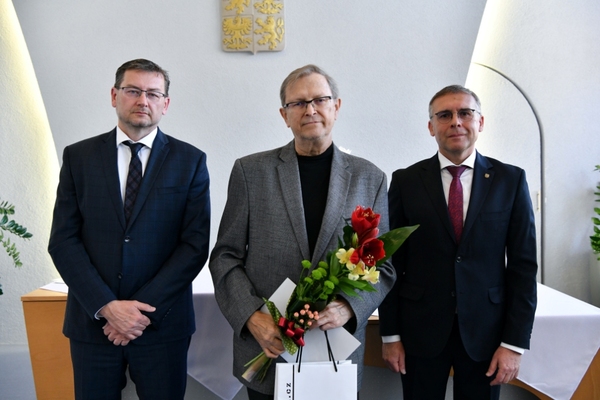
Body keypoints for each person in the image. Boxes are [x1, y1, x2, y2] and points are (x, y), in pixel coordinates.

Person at [209, 64, 396, 399]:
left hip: (335, 351)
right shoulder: (251, 172)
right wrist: (252, 317)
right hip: (269, 347)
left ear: (336, 106)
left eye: (320, 99)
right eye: (298, 103)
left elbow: (381, 266)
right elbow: (225, 256)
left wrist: (349, 307)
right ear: (284, 115)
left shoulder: (370, 178)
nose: (310, 110)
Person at [48, 59, 211, 400]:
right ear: (114, 95)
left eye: (153, 93)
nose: (143, 100)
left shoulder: (190, 161)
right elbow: (63, 240)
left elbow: (194, 246)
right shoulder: (78, 158)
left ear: (166, 103)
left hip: (161, 323)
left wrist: (138, 312)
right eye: (133, 91)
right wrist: (107, 306)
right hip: (94, 324)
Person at [378, 85, 538, 399]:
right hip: (419, 333)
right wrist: (390, 336)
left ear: (480, 122)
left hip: (487, 335)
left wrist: (513, 344)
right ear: (431, 126)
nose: (455, 122)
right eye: (444, 115)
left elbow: (523, 267)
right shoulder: (406, 181)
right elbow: (391, 264)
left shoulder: (510, 180)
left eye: (465, 113)